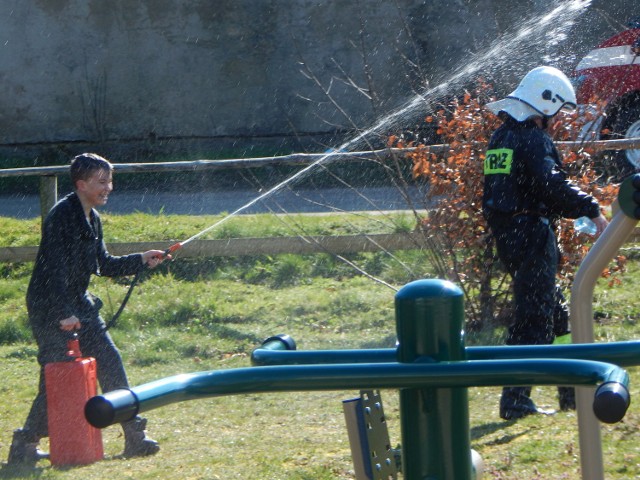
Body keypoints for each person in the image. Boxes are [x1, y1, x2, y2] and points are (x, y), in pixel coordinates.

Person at [8, 153, 169, 466]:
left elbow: (104, 264)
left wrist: (140, 259)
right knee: (56, 377)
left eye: (110, 180)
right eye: (101, 181)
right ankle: (25, 443)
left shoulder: (92, 217)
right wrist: (63, 312)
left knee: (110, 360)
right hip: (50, 305)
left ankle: (134, 434)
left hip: (79, 301)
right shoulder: (61, 216)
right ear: (81, 184)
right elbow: (52, 269)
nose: (108, 187)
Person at [482, 66, 609, 420]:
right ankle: (516, 400)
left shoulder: (501, 138)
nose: (559, 119)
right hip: (531, 235)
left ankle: (571, 393)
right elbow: (552, 185)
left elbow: (516, 190)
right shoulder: (533, 139)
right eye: (559, 110)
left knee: (556, 316)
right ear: (547, 102)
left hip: (510, 235)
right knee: (534, 321)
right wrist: (591, 208)